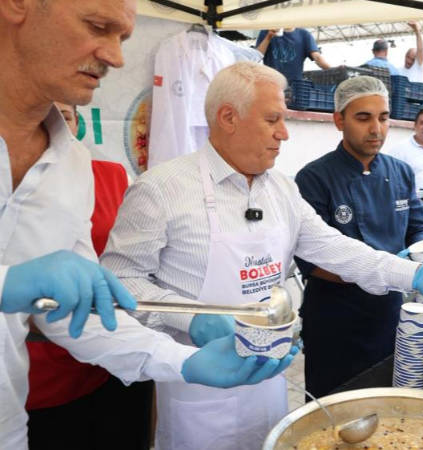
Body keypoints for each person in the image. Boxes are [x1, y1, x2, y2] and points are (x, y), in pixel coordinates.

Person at [101, 61, 423, 450]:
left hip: (270, 379)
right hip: (198, 381)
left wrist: (413, 274)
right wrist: (191, 318)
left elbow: (335, 248)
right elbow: (120, 283)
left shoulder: (281, 189)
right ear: (228, 117)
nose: (284, 133)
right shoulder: (161, 189)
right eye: (273, 119)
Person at [0, 1, 297, 448]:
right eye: (97, 26)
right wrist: (6, 284)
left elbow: (80, 319)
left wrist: (181, 361)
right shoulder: (164, 185)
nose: (116, 57)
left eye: (122, 38)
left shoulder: (70, 165)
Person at [294, 76, 423, 397]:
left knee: (386, 398)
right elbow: (311, 262)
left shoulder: (400, 172)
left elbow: (418, 225)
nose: (376, 129)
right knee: (332, 404)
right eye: (363, 118)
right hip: (335, 317)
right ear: (339, 121)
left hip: (389, 312)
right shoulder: (314, 178)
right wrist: (388, 273)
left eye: (383, 118)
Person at [25, 103, 153, 450]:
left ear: (78, 122)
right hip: (39, 373)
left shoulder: (111, 176)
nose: (52, 129)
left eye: (63, 117)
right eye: (41, 116)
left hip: (113, 354)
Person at [255, 28, 331, 81]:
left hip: (295, 84)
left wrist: (333, 71)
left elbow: (317, 57)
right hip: (271, 81)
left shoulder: (304, 34)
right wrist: (268, 37)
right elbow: (257, 56)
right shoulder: (266, 31)